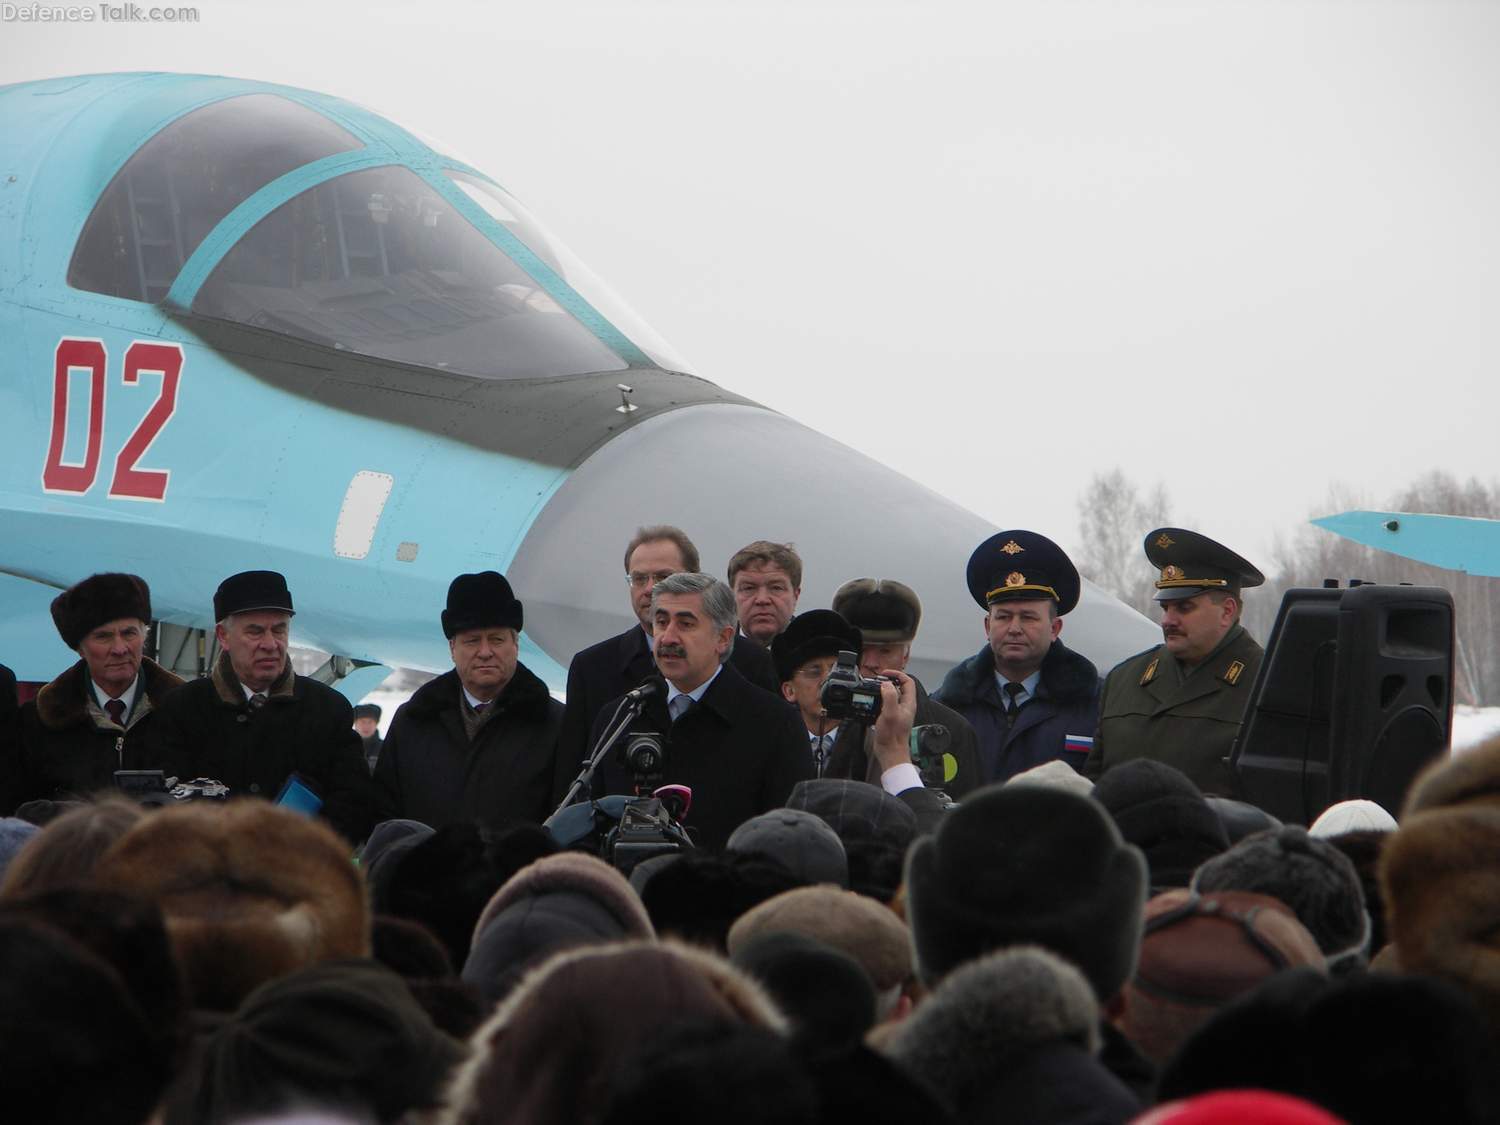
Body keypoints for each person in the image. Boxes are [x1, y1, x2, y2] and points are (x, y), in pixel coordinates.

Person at [586, 572, 811, 851]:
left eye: (686, 623)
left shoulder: (776, 724)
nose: (668, 637)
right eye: (661, 621)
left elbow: (787, 839)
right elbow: (589, 821)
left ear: (723, 638)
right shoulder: (620, 716)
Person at [554, 526, 776, 804]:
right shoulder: (594, 669)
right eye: (639, 578)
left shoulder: (753, 663)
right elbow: (574, 778)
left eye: (662, 577)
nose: (650, 589)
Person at [152, 570, 374, 843]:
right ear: (223, 636)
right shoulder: (183, 709)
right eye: (255, 631)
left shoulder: (328, 709)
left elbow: (353, 808)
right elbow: (164, 808)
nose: (270, 644)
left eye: (279, 630)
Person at [375, 572, 563, 833]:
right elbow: (385, 820)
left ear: (515, 644)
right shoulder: (413, 722)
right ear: (453, 648)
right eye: (472, 641)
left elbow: (566, 825)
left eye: (496, 639)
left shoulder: (555, 725)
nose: (485, 652)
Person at [1084, 528, 1265, 795]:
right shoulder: (1124, 680)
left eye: (1184, 607)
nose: (1168, 620)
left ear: (1227, 611)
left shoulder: (1266, 682)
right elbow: (1095, 786)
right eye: (1165, 608)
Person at [933, 531, 1100, 784]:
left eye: (1028, 617)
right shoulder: (947, 704)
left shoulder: (1095, 704)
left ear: (1054, 628)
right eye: (1003, 616)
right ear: (988, 627)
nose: (1014, 628)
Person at [13, 574, 183, 809]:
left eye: (129, 633)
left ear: (144, 636)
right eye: (103, 636)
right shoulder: (40, 721)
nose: (120, 648)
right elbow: (22, 812)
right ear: (79, 648)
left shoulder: (186, 711)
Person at [832, 578, 983, 798]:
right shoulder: (818, 717)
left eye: (885, 651)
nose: (871, 662)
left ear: (906, 655)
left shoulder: (953, 731)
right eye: (862, 649)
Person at [769, 609, 864, 775]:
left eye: (838, 672)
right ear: (789, 691)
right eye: (814, 672)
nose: (827, 682)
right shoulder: (771, 741)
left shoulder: (870, 741)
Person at [728, 540, 802, 648]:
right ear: (732, 597)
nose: (762, 599)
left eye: (776, 588)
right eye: (748, 588)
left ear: (795, 596)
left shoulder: (822, 654)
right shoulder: (711, 654)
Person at [353, 703, 382, 774]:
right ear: (355, 723)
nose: (366, 726)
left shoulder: (385, 748)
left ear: (376, 724)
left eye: (370, 722)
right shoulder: (344, 747)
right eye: (362, 722)